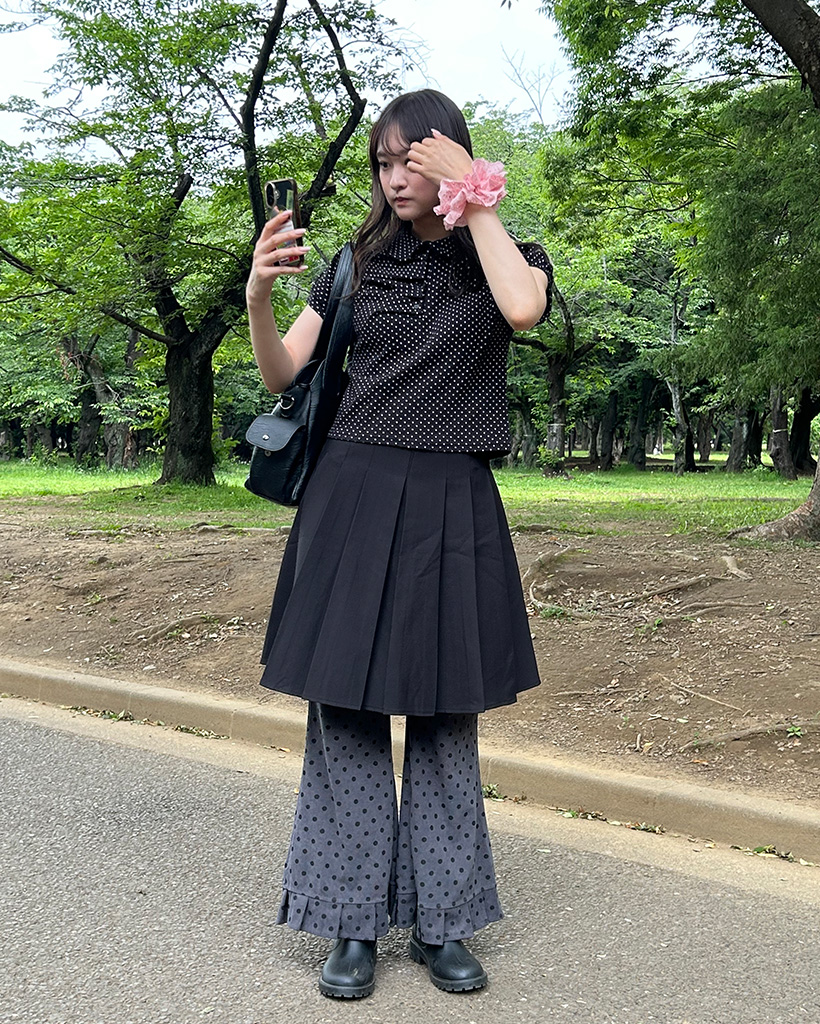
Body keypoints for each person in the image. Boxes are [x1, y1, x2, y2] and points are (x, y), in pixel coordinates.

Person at [245, 89, 552, 999]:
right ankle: (350, 922)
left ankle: (443, 921)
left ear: (451, 156)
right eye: (383, 163)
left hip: (454, 501)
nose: (394, 177)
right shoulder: (354, 263)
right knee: (345, 712)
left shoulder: (504, 255)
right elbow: (283, 371)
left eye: (412, 160)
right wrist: (259, 293)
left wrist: (478, 198)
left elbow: (523, 309)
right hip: (350, 496)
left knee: (446, 714)